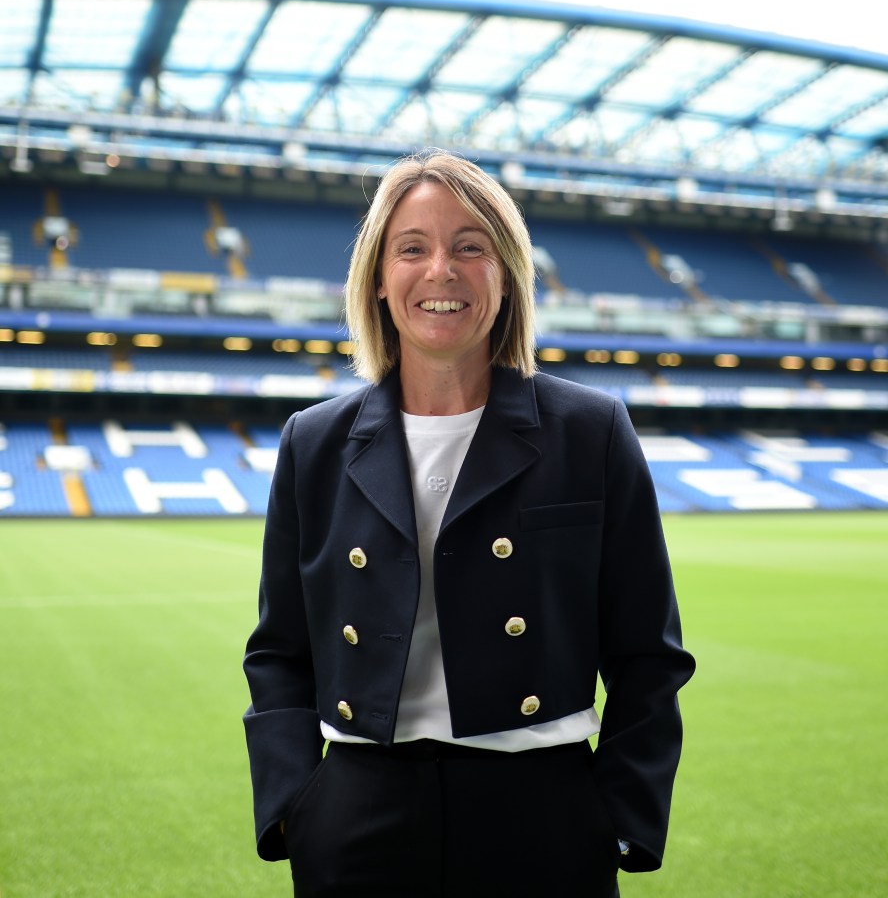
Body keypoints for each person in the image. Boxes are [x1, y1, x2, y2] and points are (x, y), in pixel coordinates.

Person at [243, 149, 695, 898]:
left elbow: (648, 654)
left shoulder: (590, 431)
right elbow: (279, 651)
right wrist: (297, 806)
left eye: (469, 246)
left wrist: (616, 817)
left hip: (543, 816)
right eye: (411, 248)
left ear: (506, 274)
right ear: (379, 282)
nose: (441, 271)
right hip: (358, 818)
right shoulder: (314, 443)